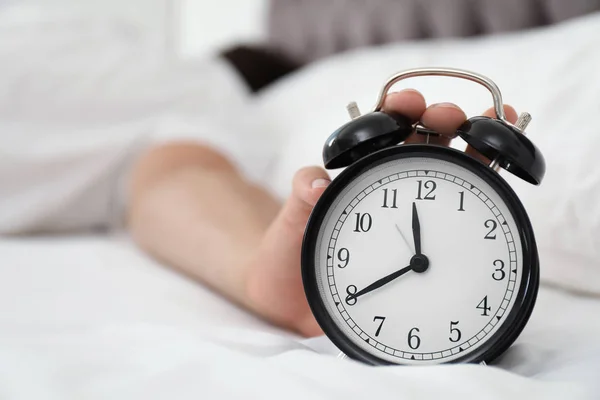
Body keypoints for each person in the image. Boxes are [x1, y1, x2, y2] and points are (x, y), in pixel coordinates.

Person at [126, 88, 519, 337]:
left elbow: (176, 171)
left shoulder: (204, 94)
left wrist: (255, 277)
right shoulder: (219, 97)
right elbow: (176, 172)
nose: (419, 262)